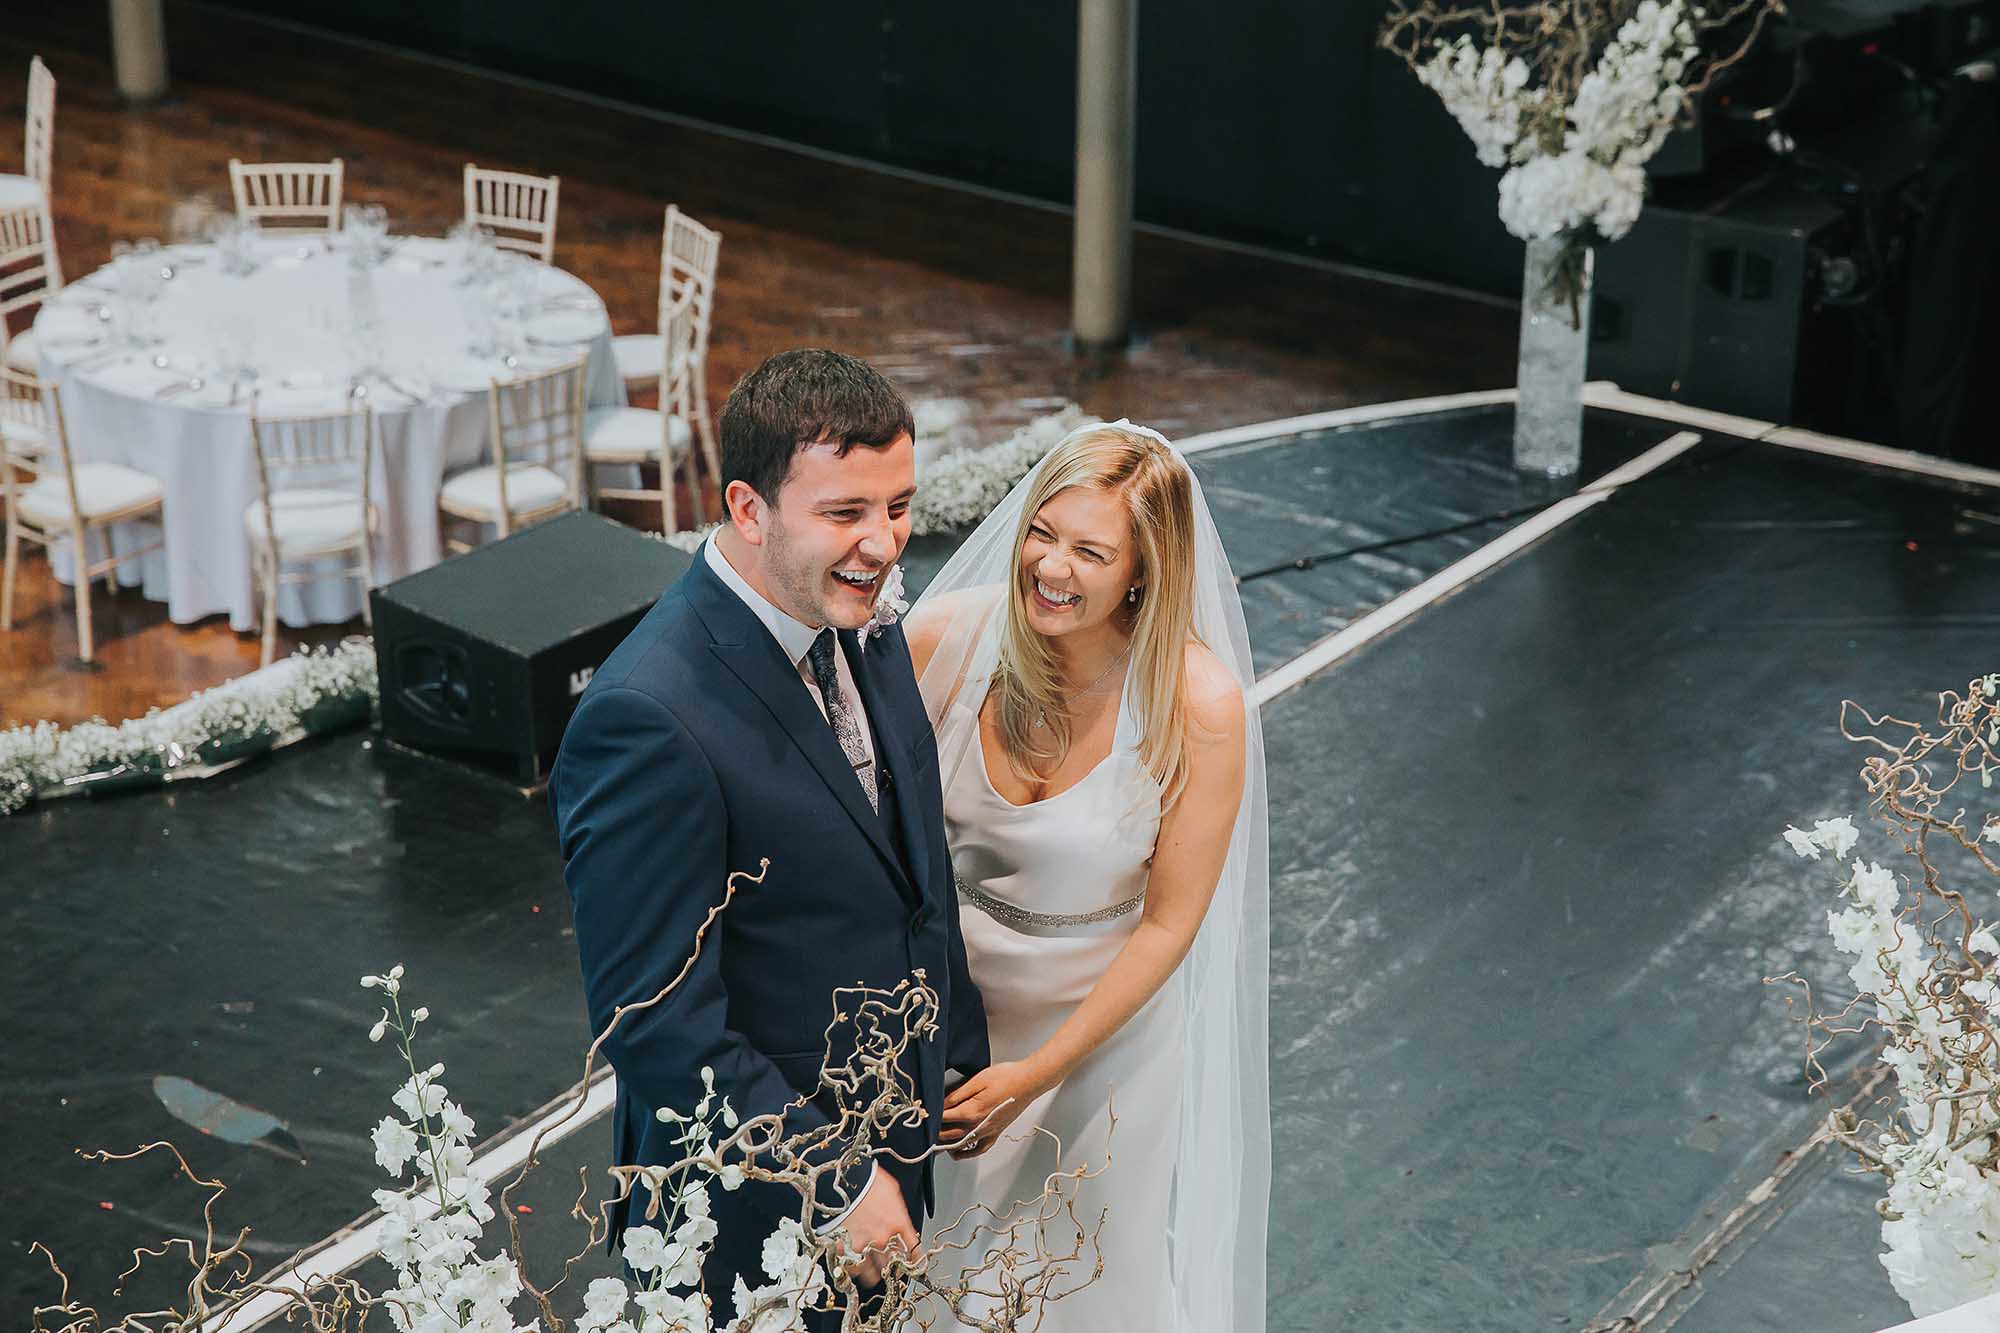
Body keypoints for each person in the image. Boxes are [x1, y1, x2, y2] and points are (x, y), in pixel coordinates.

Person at [550, 348, 989, 1324]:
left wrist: (954, 1054)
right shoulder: (648, 717)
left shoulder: (852, 613)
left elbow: (912, 864)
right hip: (746, 1217)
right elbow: (650, 1018)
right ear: (747, 509)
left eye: (897, 506)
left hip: (894, 1141)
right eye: (845, 513)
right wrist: (831, 1177)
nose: (881, 544)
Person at [907, 420, 1271, 1333]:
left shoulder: (1198, 705)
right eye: (1042, 532)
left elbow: (1168, 925)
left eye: (1090, 551)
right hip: (948, 1027)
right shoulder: (945, 642)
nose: (1052, 567)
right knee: (935, 1286)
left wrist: (1035, 1073)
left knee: (1068, 1296)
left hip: (1101, 1050)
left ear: (1142, 569)